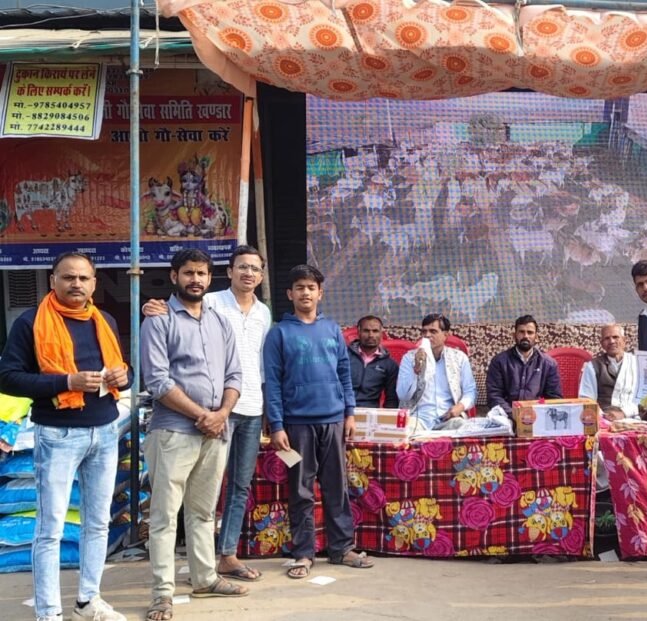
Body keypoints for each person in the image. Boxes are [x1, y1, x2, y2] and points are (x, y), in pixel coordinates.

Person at [0, 252, 131, 621]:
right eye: (69, 277)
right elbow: (8, 377)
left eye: (84, 278)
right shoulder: (31, 323)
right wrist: (66, 382)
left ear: (94, 282)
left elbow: (121, 370)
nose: (77, 284)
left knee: (98, 522)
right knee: (51, 528)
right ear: (54, 279)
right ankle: (49, 613)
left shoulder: (102, 319)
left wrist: (126, 377)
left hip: (105, 430)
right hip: (57, 434)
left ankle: (88, 601)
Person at [142, 245, 271, 583]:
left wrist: (222, 413)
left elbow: (238, 371)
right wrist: (206, 415)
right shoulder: (178, 314)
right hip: (179, 427)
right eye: (188, 273)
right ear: (174, 276)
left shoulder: (245, 316)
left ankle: (213, 571)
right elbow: (157, 379)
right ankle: (163, 590)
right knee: (167, 514)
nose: (195, 279)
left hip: (232, 418)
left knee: (214, 503)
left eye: (201, 273)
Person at [264, 264, 374, 578]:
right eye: (300, 287)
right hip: (296, 426)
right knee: (300, 490)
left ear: (320, 293)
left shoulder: (332, 330)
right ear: (290, 294)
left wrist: (349, 412)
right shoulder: (279, 333)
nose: (305, 293)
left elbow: (344, 373)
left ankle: (342, 549)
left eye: (311, 288)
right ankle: (303, 553)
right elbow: (272, 382)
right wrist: (276, 424)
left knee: (336, 487)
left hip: (334, 421)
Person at [397, 314, 477, 431]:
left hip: (448, 417)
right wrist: (417, 369)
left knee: (465, 428)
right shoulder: (409, 358)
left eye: (433, 331)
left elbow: (470, 391)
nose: (427, 335)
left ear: (446, 335)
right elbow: (403, 395)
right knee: (405, 431)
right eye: (424, 332)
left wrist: (460, 407)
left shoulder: (459, 358)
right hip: (418, 418)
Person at [485, 314, 562, 415]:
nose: (526, 336)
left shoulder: (548, 364)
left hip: (538, 417)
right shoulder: (499, 361)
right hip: (507, 416)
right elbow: (494, 396)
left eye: (530, 332)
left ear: (536, 337)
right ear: (514, 335)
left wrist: (537, 414)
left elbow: (554, 398)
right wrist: (514, 415)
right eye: (521, 332)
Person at [579, 324, 639, 419]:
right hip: (605, 418)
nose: (611, 341)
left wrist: (624, 413)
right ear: (602, 343)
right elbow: (587, 399)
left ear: (624, 340)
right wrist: (603, 417)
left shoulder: (637, 363)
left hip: (635, 417)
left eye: (615, 337)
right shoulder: (592, 366)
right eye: (607, 338)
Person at [348, 315, 400, 408]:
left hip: (370, 412)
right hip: (342, 410)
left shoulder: (390, 365)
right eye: (366, 331)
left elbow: (391, 399)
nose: (371, 335)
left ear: (381, 333)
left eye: (375, 331)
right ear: (358, 332)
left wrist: (386, 420)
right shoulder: (344, 356)